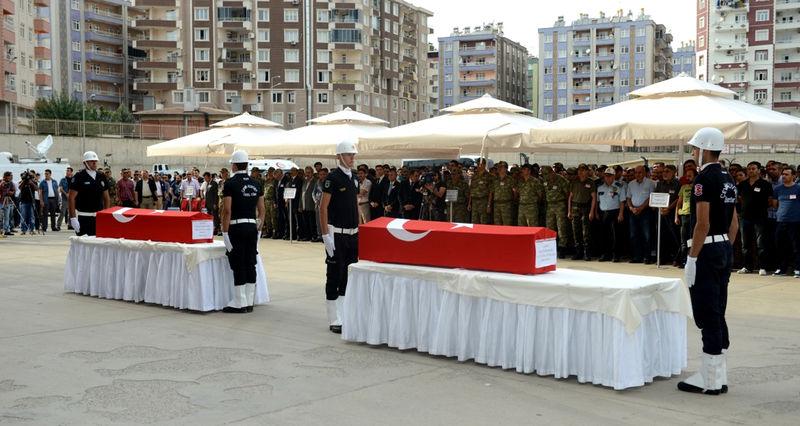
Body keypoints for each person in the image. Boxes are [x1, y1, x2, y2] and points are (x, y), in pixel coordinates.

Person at [679, 127, 738, 396]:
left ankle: (710, 379)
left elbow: (702, 223)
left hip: (707, 249)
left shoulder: (704, 179)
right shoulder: (728, 177)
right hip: (724, 247)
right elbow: (734, 222)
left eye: (695, 148)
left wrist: (693, 259)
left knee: (706, 311)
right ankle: (718, 373)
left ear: (704, 148)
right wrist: (725, 248)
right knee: (718, 308)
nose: (693, 152)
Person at [320, 141, 360, 334]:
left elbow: (356, 204)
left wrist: (361, 226)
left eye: (353, 155)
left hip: (352, 235)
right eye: (348, 154)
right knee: (334, 275)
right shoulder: (332, 178)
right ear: (339, 156)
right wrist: (325, 236)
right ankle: (334, 317)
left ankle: (344, 313)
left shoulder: (354, 178)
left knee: (347, 275)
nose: (352, 158)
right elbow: (323, 208)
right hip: (337, 234)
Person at [220, 150, 265, 314]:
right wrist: (258, 229)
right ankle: (248, 301)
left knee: (238, 263)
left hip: (236, 227)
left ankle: (240, 302)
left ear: (233, 165)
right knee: (250, 263)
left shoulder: (230, 183)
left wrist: (224, 233)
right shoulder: (256, 183)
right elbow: (262, 210)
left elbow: (227, 211)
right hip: (252, 226)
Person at [736, 162, 772, 276]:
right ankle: (747, 266)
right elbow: (740, 199)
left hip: (760, 217)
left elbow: (770, 201)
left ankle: (762, 267)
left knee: (760, 243)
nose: (750, 171)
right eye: (749, 169)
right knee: (745, 244)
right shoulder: (742, 184)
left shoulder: (765, 184)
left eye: (753, 168)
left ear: (758, 170)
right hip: (745, 217)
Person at [68, 151, 111, 236]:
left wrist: (106, 215)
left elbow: (106, 198)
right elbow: (71, 198)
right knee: (83, 246)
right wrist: (72, 218)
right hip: (83, 217)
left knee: (98, 245)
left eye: (96, 161)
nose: (95, 163)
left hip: (98, 217)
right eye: (92, 161)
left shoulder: (101, 176)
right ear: (85, 163)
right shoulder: (79, 176)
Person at [771, 167, 800, 278]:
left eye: (787, 174)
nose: (784, 176)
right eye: (783, 174)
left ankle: (797, 269)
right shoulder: (778, 189)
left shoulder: (798, 188)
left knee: (796, 246)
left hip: (795, 222)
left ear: (793, 176)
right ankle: (781, 269)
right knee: (780, 246)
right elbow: (775, 204)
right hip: (780, 221)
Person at [595, 167, 626, 262]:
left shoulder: (619, 186)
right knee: (604, 234)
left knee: (615, 235)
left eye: (610, 176)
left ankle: (616, 255)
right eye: (606, 176)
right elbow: (597, 201)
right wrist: (596, 212)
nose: (608, 178)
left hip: (615, 212)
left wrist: (621, 214)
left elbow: (622, 201)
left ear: (613, 176)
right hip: (603, 212)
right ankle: (605, 254)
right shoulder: (600, 187)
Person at [626, 165, 656, 264]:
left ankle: (647, 257)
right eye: (636, 172)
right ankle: (636, 256)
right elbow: (628, 198)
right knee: (633, 235)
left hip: (645, 212)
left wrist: (641, 208)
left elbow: (650, 198)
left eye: (640, 172)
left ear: (644, 173)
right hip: (633, 211)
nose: (637, 174)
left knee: (646, 235)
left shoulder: (650, 183)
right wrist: (631, 208)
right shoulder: (631, 184)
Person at [568, 164, 597, 260]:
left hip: (585, 208)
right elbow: (570, 197)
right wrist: (569, 211)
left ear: (587, 171)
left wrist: (592, 212)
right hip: (575, 208)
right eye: (579, 170)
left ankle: (587, 253)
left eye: (583, 170)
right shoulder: (574, 182)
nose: (581, 172)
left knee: (586, 232)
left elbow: (594, 198)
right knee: (576, 231)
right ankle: (578, 252)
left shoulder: (591, 182)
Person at [543, 166, 570, 257]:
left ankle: (562, 247)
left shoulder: (561, 180)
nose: (546, 176)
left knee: (561, 227)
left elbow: (567, 193)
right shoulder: (545, 180)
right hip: (550, 205)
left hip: (559, 205)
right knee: (550, 228)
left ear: (552, 172)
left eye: (547, 174)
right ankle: (551, 248)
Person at [675, 168, 697, 268]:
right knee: (684, 240)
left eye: (690, 176)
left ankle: (692, 260)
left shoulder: (698, 187)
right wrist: (676, 216)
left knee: (693, 240)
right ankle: (683, 261)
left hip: (695, 216)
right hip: (684, 215)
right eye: (686, 176)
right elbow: (679, 203)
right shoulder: (684, 187)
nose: (688, 178)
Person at [489, 161, 516, 226]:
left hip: (506, 205)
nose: (500, 169)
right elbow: (491, 192)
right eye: (499, 167)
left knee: (507, 224)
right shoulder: (495, 180)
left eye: (502, 167)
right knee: (497, 224)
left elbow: (515, 191)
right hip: (496, 205)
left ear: (506, 169)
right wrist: (489, 204)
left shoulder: (510, 179)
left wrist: (513, 201)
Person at [468, 160, 492, 224]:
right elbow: (471, 190)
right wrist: (469, 203)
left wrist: (489, 205)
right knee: (474, 221)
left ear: (484, 165)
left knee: (483, 221)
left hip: (483, 201)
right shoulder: (474, 176)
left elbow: (491, 192)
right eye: (477, 164)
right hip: (474, 201)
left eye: (480, 164)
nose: (478, 166)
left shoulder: (489, 176)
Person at [1, 171, 16, 236]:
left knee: (7, 217)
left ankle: (7, 230)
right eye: (10, 176)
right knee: (1, 217)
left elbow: (13, 191)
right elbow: (3, 190)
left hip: (8, 201)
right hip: (1, 201)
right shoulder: (1, 182)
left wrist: (9, 192)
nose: (11, 177)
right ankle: (1, 230)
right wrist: (7, 191)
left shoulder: (11, 183)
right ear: (6, 176)